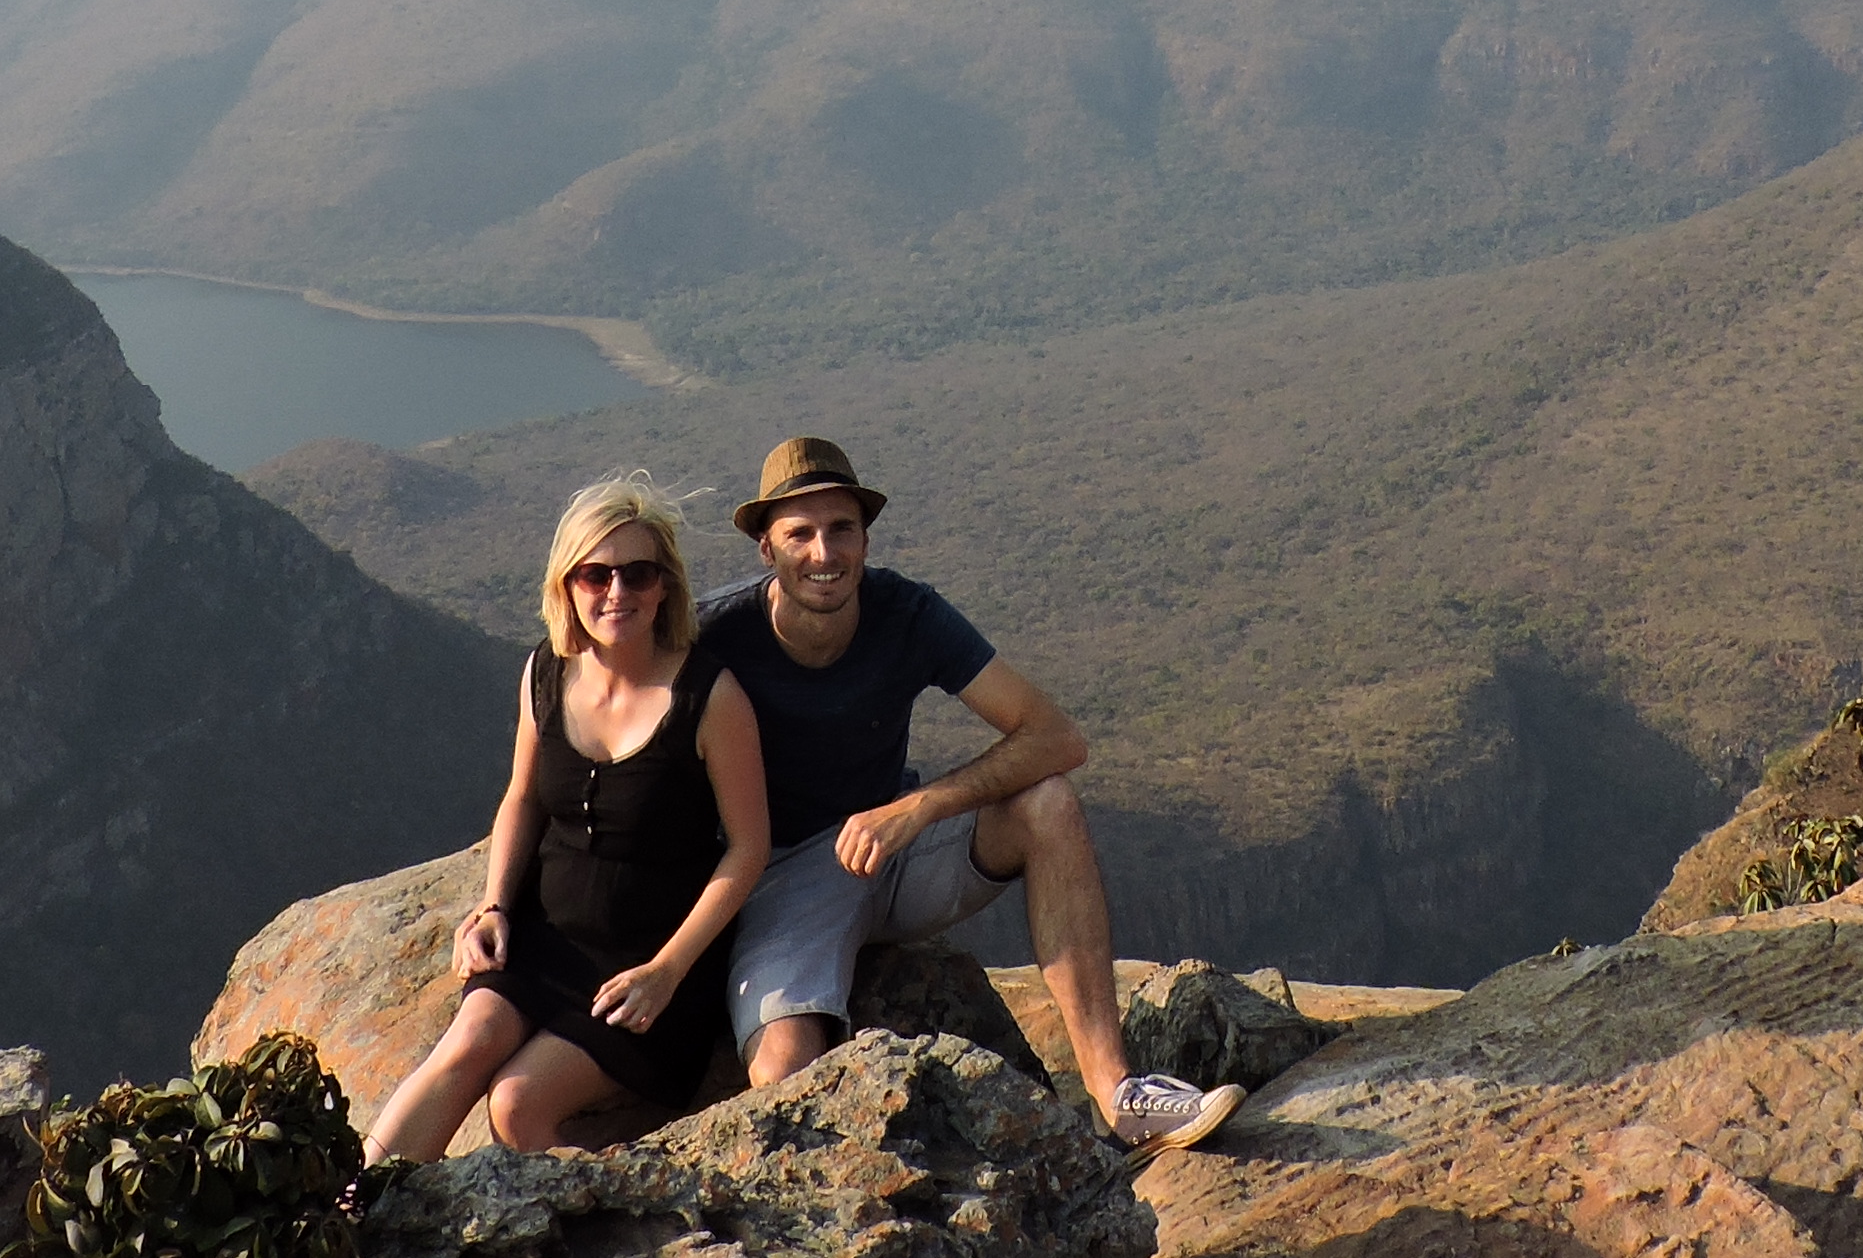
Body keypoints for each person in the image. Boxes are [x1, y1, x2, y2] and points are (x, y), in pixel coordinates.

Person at [697, 434, 1244, 1154]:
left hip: (896, 851)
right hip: (784, 874)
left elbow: (1055, 738)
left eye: (842, 530)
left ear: (865, 538)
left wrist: (921, 806)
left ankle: (1118, 1096)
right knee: (783, 1073)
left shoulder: (906, 615)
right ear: (765, 548)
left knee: (1047, 803)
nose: (824, 554)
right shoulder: (715, 634)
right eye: (800, 533)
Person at [362, 473, 769, 1162]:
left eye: (638, 574)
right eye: (595, 574)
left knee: (516, 1105)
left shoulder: (710, 697)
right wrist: (492, 906)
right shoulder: (546, 674)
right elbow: (521, 796)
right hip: (544, 937)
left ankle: (615, 1217)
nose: (617, 593)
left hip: (647, 962)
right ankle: (346, 1215)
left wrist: (666, 972)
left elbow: (749, 849)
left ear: (665, 585)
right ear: (567, 586)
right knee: (467, 1045)